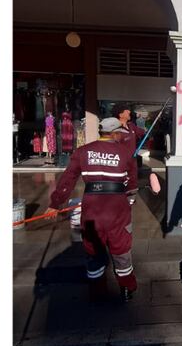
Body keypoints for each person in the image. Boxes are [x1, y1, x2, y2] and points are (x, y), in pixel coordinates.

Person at [48, 117, 139, 302]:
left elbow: (68, 179)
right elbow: (131, 184)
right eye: (120, 132)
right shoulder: (126, 153)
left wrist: (55, 203)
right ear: (115, 133)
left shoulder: (83, 152)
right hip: (117, 212)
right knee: (121, 252)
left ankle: (97, 292)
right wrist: (129, 199)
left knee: (94, 252)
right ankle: (127, 289)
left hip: (92, 212)